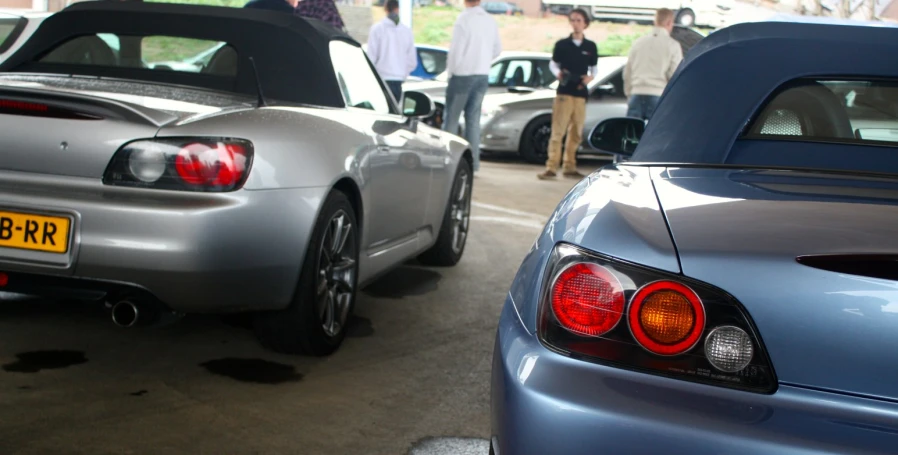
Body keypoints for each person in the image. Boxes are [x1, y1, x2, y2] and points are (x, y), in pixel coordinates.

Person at [537, 8, 597, 180]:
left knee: (576, 131)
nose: (576, 23)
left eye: (579, 20)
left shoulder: (590, 46)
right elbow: (553, 64)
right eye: (573, 20)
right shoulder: (562, 45)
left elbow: (594, 68)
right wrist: (559, 75)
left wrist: (589, 78)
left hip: (580, 93)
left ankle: (570, 165)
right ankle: (551, 166)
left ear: (585, 23)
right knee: (558, 131)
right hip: (564, 92)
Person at [442, 0, 502, 173]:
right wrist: (482, 61)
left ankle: (449, 162)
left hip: (462, 75)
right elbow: (497, 49)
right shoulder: (490, 20)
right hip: (482, 75)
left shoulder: (463, 19)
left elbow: (456, 51)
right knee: (473, 121)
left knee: (451, 119)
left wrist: (451, 73)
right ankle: (474, 164)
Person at [623, 8, 683, 121]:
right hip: (658, 95)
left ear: (655, 21)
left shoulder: (638, 43)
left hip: (636, 94)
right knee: (655, 137)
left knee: (634, 136)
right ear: (670, 22)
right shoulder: (673, 45)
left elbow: (627, 72)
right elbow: (674, 75)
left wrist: (629, 94)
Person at [367, 0, 417, 103]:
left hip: (381, 79)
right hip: (398, 80)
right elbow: (412, 61)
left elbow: (370, 57)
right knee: (395, 114)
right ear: (398, 9)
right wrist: (402, 73)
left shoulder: (377, 29)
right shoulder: (406, 31)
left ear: (385, 9)